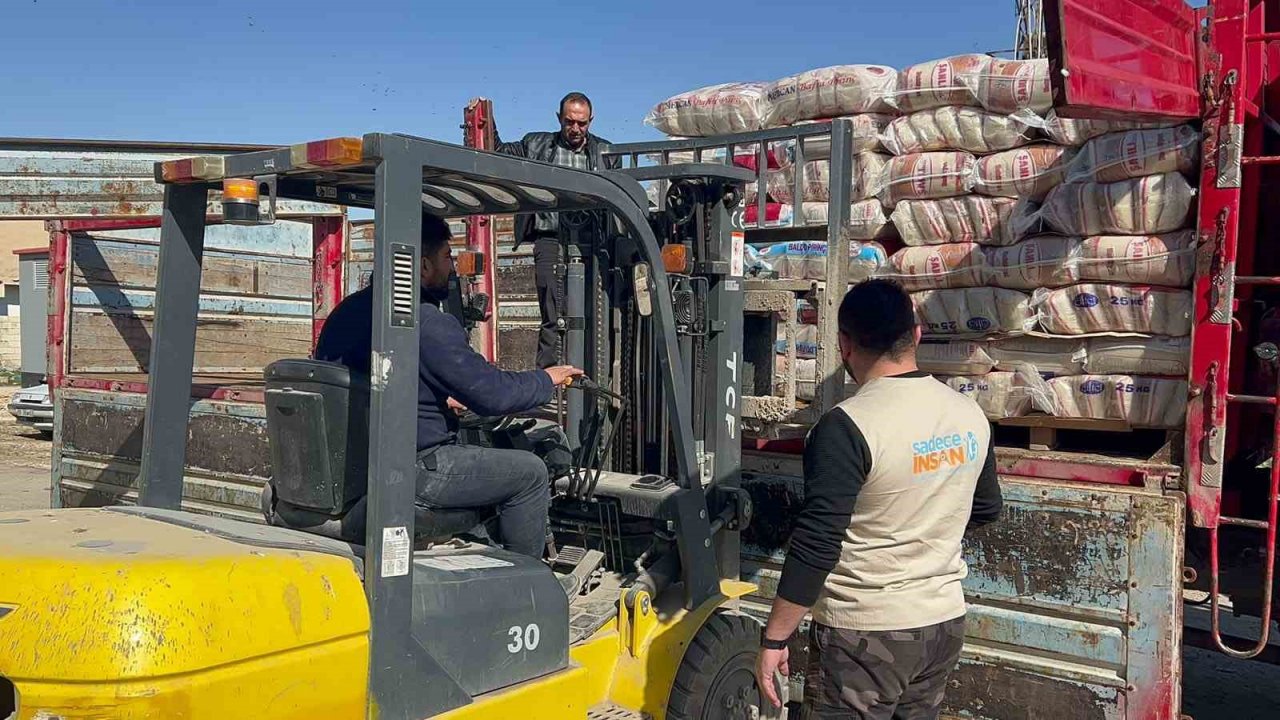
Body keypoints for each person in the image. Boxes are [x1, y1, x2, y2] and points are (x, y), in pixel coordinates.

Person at [754, 279, 1003, 719]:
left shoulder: (847, 426)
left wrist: (775, 639)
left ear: (844, 345)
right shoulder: (969, 414)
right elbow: (985, 509)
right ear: (917, 336)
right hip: (942, 624)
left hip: (866, 634)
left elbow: (817, 544)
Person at [315, 213, 582, 559]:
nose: (453, 267)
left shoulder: (348, 312)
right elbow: (492, 394)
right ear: (423, 266)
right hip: (413, 467)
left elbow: (378, 378)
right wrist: (547, 378)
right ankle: (524, 585)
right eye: (446, 257)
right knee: (530, 472)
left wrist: (436, 397)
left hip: (361, 461)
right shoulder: (422, 321)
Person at [493, 91, 621, 369]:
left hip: (592, 242)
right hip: (550, 240)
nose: (575, 129)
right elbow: (498, 152)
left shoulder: (607, 153)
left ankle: (592, 377)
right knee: (553, 313)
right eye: (569, 122)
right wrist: (485, 122)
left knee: (595, 311)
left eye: (582, 123)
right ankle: (546, 382)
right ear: (558, 119)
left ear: (591, 121)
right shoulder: (535, 144)